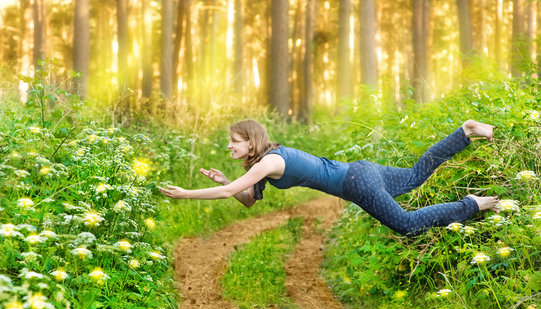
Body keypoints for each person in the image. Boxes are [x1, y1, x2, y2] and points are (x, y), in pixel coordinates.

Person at [158, 119, 499, 237]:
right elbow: (245, 200)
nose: (228, 146)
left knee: (407, 224)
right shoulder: (265, 162)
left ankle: (472, 204)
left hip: (356, 182)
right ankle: (465, 132)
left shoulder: (269, 161)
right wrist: (223, 182)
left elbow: (234, 189)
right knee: (413, 177)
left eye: (233, 141)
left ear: (251, 141)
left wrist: (186, 193)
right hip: (359, 170)